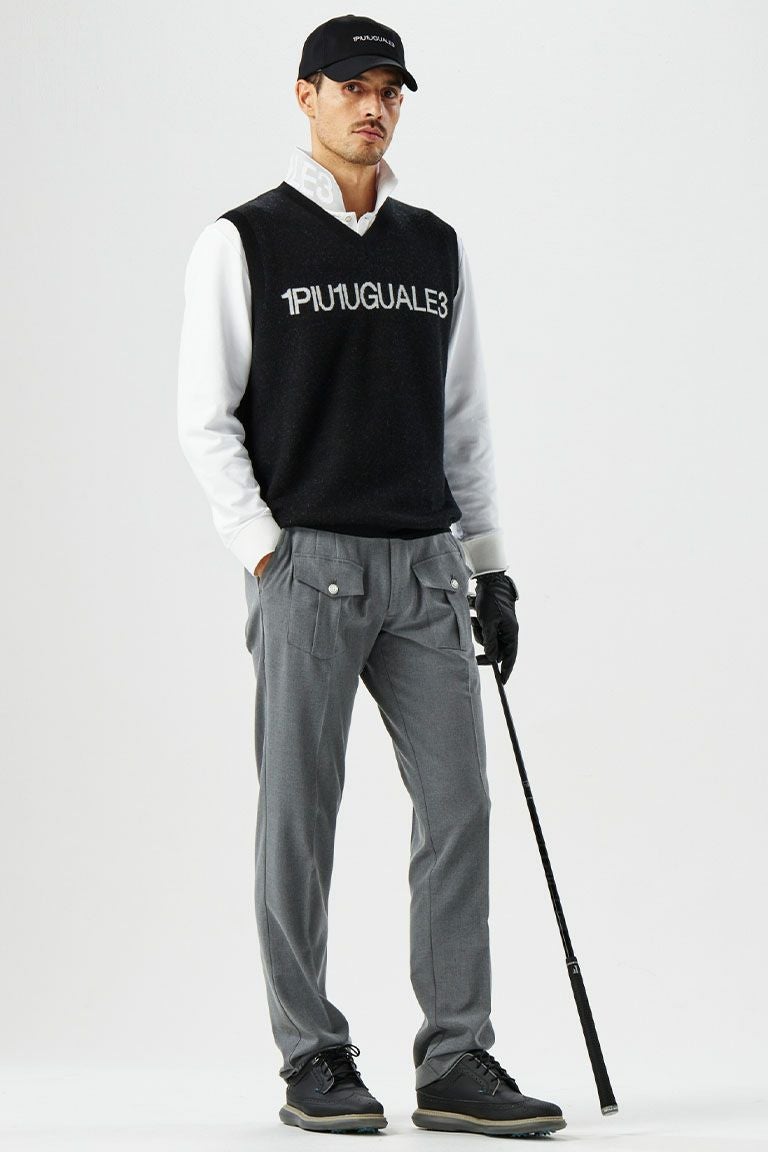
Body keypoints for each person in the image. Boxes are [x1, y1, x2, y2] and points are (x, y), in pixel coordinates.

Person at [177, 11, 565, 1139]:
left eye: (391, 90)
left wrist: (491, 569)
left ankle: (455, 1058)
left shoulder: (434, 247)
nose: (374, 106)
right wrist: (267, 550)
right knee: (298, 818)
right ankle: (311, 1055)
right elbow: (205, 418)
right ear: (306, 95)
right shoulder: (244, 241)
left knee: (459, 807)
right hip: (310, 565)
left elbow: (463, 423)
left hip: (428, 570)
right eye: (353, 86)